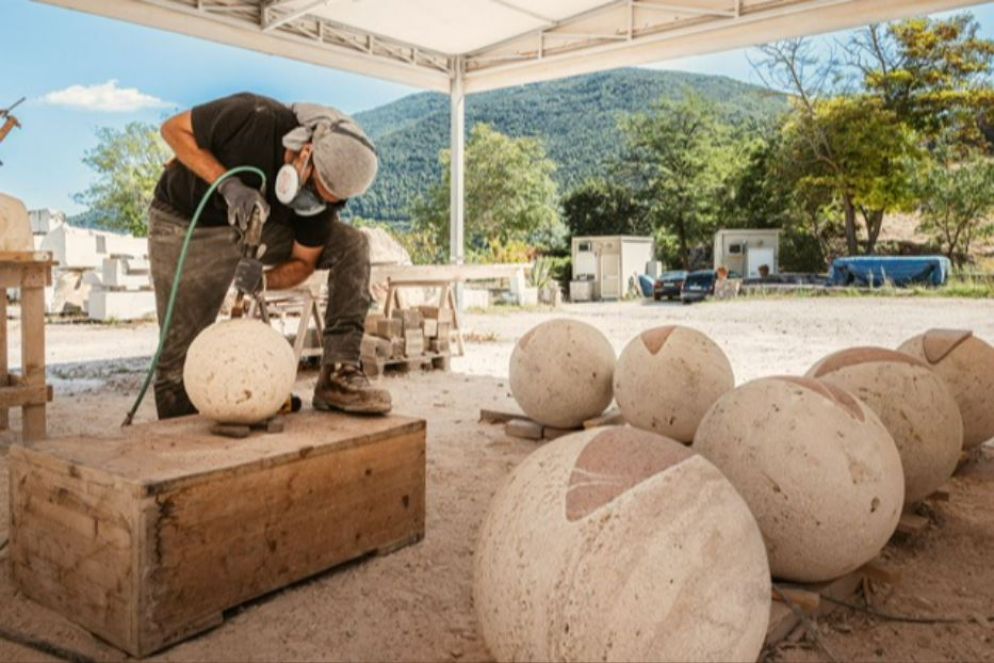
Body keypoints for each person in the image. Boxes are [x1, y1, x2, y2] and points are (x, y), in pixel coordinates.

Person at [149, 92, 391, 420]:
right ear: (307, 153)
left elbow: (303, 262)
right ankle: (185, 442)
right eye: (316, 189)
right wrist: (228, 185)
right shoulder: (254, 117)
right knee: (177, 366)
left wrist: (263, 280)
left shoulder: (320, 208)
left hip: (262, 223)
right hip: (188, 220)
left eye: (329, 200)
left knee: (352, 243)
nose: (314, 203)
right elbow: (173, 130)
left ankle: (339, 373)